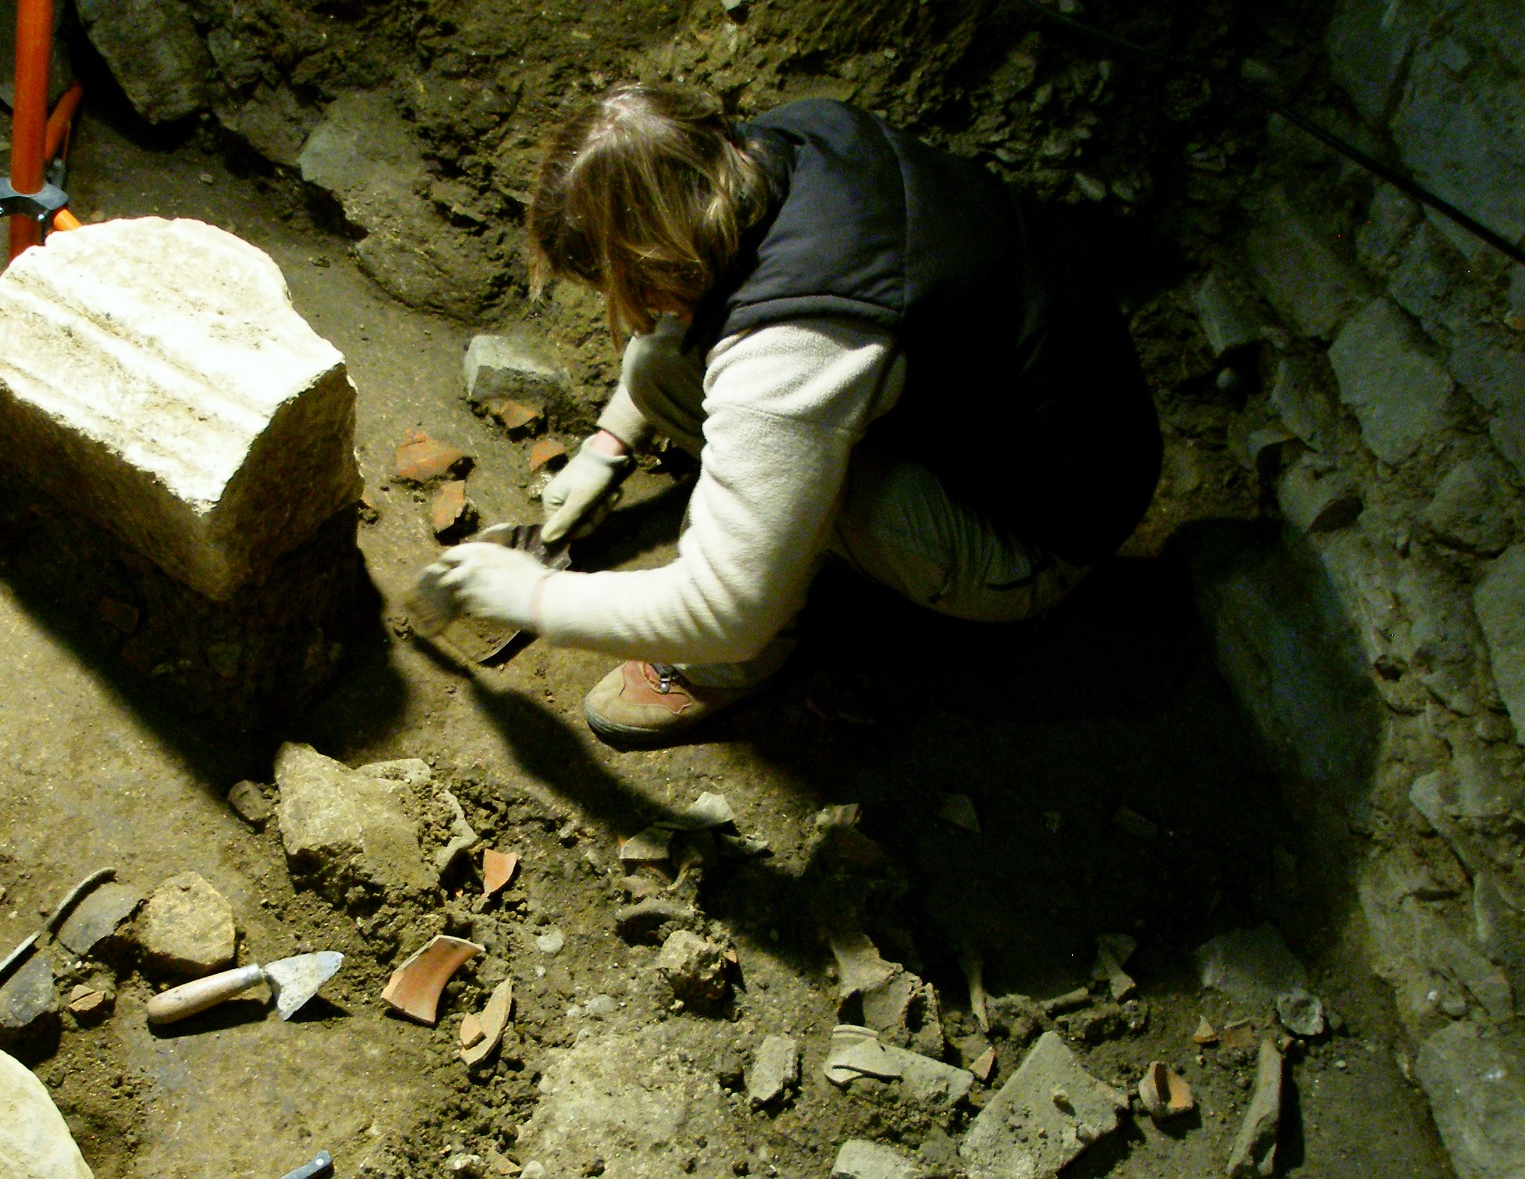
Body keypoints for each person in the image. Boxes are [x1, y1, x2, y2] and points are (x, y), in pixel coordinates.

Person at [416, 83, 1163, 748]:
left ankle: (738, 669)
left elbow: (726, 607)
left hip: (1031, 537)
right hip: (1023, 410)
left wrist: (532, 596)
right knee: (659, 361)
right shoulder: (774, 148)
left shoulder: (796, 342)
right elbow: (679, 330)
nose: (631, 307)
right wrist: (610, 444)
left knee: (789, 519)